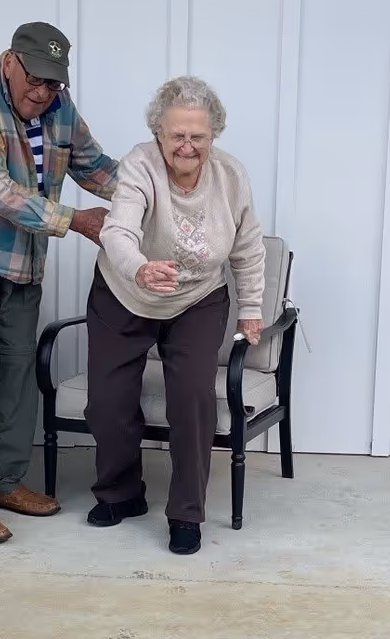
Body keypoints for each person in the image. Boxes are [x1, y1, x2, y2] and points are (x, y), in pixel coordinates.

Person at [86, 76, 266, 556]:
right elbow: (119, 230)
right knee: (106, 400)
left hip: (197, 298)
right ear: (158, 133)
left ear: (214, 136)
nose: (187, 146)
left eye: (198, 137)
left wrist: (250, 308)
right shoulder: (138, 167)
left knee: (192, 398)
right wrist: (141, 269)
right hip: (126, 291)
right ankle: (121, 495)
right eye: (177, 136)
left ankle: (186, 514)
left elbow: (247, 248)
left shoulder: (231, 176)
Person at [0, 22, 118, 545]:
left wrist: (160, 185)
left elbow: (96, 168)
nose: (43, 93)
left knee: (17, 375)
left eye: (53, 83)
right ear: (11, 60)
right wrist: (76, 220)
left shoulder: (58, 104)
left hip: (26, 260)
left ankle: (6, 483)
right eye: (35, 80)